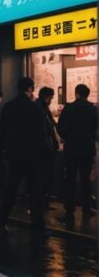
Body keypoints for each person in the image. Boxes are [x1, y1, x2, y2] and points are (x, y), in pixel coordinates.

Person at [0, 77, 50, 233]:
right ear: (30, 89)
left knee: (10, 190)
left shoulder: (7, 107)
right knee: (35, 192)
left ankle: (0, 222)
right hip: (32, 156)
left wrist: (4, 150)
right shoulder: (35, 108)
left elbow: (1, 132)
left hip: (13, 155)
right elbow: (41, 133)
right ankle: (38, 227)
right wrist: (44, 153)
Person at [57, 84, 98, 220]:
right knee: (85, 179)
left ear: (76, 94)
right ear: (87, 94)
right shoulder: (93, 109)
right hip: (87, 149)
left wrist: (66, 136)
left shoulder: (69, 108)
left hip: (72, 149)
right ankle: (86, 208)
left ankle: (70, 208)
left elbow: (60, 126)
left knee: (70, 178)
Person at [35, 87, 59, 209]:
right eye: (52, 97)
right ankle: (42, 202)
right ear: (47, 97)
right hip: (43, 148)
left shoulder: (40, 106)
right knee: (44, 175)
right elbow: (46, 129)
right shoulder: (40, 108)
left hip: (43, 147)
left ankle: (42, 201)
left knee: (43, 176)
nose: (52, 99)